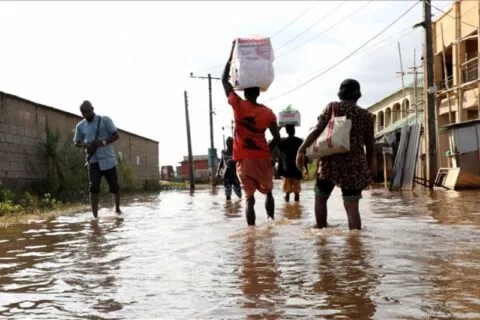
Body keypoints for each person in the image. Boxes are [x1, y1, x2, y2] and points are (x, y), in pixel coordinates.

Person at [296, 79, 374, 230]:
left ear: (340, 94)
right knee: (352, 207)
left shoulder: (333, 107)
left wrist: (302, 149)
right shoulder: (366, 116)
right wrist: (367, 169)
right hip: (355, 166)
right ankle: (355, 245)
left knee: (320, 198)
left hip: (330, 164)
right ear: (358, 96)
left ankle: (321, 236)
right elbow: (370, 146)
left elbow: (317, 130)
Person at [222, 41, 281, 226]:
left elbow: (224, 80)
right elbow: (277, 138)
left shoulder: (238, 106)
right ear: (258, 93)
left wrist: (232, 53)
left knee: (249, 199)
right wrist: (267, 151)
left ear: (245, 92)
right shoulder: (268, 113)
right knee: (269, 192)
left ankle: (251, 234)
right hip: (262, 157)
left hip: (244, 160)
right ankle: (271, 223)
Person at [73, 100, 122, 219]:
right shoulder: (81, 126)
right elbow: (76, 142)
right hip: (93, 161)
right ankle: (95, 217)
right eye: (83, 113)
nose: (86, 115)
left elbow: (116, 135)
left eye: (87, 112)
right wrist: (85, 145)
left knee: (114, 187)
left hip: (108, 160)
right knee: (93, 188)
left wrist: (102, 142)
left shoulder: (105, 120)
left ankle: (117, 209)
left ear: (92, 109)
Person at [277, 125, 304, 202]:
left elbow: (276, 141)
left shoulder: (283, 141)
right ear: (294, 131)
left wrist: (279, 128)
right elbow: (303, 154)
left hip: (286, 170)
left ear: (286, 131)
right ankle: (297, 210)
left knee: (287, 193)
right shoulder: (300, 141)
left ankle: (287, 210)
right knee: (297, 193)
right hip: (297, 169)